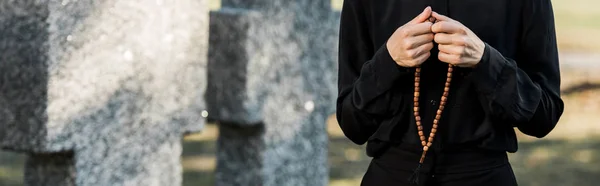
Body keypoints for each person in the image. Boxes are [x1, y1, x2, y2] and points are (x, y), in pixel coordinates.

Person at [336, 0, 564, 186]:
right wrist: (388, 61)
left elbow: (545, 115)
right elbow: (352, 123)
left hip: (485, 177)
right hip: (390, 175)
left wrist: (486, 61)